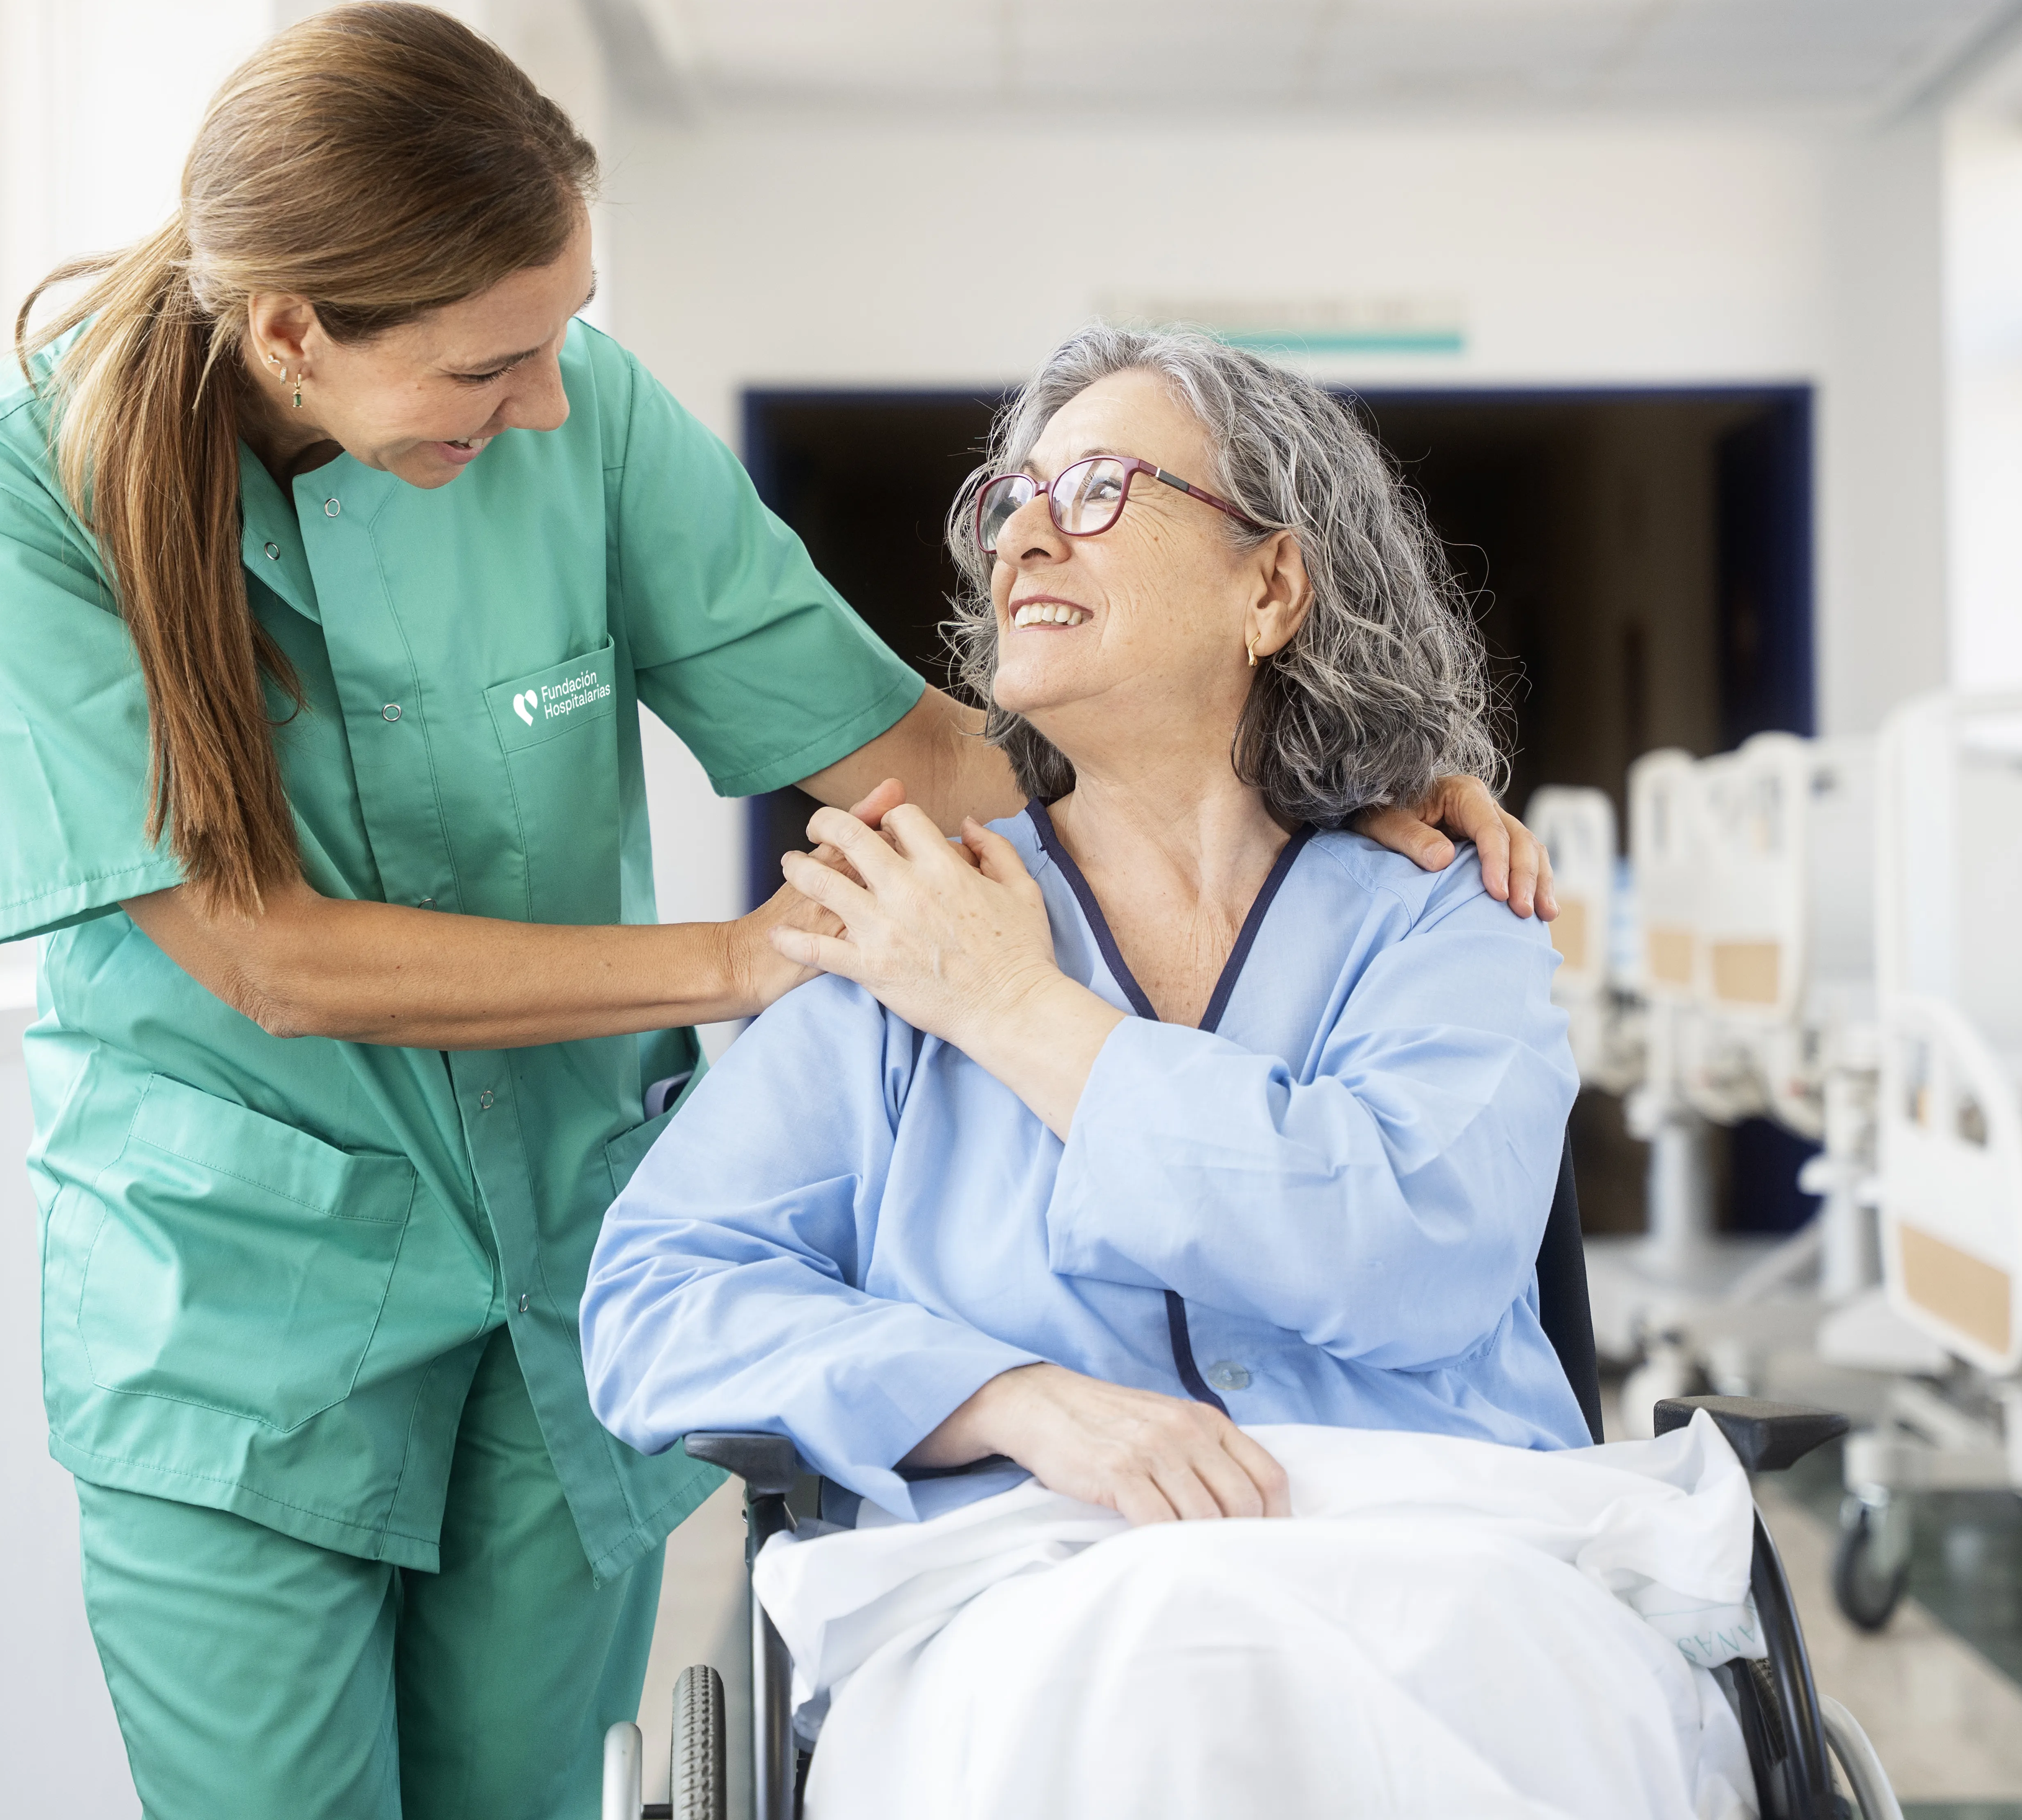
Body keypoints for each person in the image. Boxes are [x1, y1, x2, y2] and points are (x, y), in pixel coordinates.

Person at [0, 5, 1546, 1820]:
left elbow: (905, 743)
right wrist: (766, 977)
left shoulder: (1414, 925)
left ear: (1272, 581)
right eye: (494, 368)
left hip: (571, 1248)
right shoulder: (5, 498)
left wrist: (1332, 761)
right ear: (295, 333)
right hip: (241, 1302)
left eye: (1100, 498)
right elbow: (261, 952)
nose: (550, 402)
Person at [583, 325, 1584, 1527]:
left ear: (1268, 588)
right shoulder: (907, 925)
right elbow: (657, 1297)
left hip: (1427, 1558)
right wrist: (1007, 1399)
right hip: (1041, 1604)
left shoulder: (1446, 916)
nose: (1021, 539)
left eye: (1100, 489)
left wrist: (1014, 1011)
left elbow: (1409, 1256)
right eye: (1012, 501)